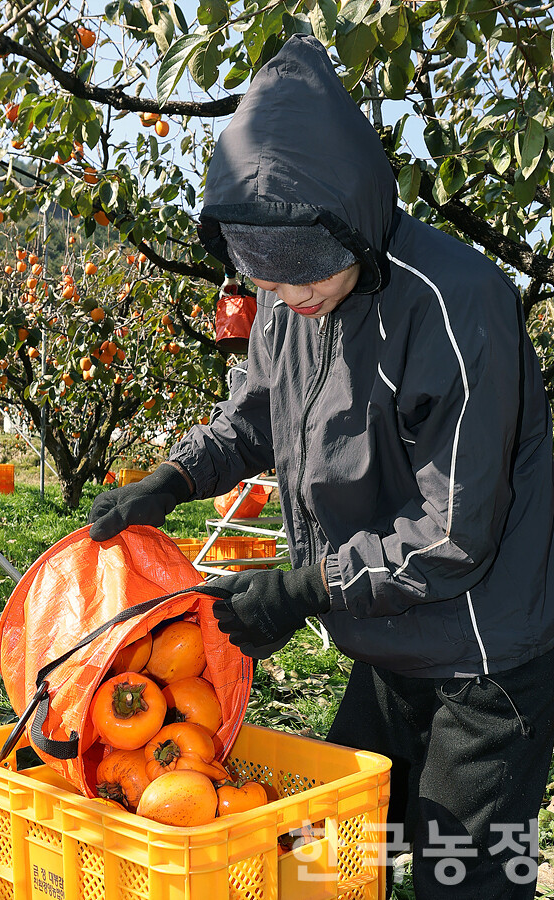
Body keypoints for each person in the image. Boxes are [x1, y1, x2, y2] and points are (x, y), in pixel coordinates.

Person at [89, 35, 554, 899]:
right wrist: (175, 478)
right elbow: (256, 417)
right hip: (386, 638)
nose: (293, 295)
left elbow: (455, 533)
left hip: (483, 657)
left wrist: (306, 589)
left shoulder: (455, 305)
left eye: (309, 273)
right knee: (325, 861)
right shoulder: (285, 302)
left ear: (354, 221)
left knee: (470, 878)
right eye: (270, 278)